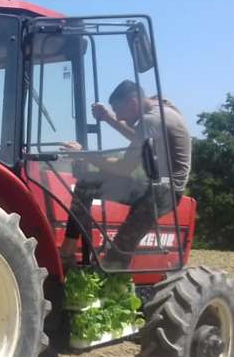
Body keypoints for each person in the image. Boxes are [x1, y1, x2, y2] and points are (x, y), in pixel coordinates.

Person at [59, 80, 192, 269]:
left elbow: (124, 167)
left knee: (118, 251)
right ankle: (67, 251)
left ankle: (115, 288)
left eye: (119, 110)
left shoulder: (150, 120)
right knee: (87, 184)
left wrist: (83, 155)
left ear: (132, 103)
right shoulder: (159, 107)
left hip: (164, 193)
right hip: (155, 185)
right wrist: (108, 118)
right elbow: (138, 138)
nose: (119, 116)